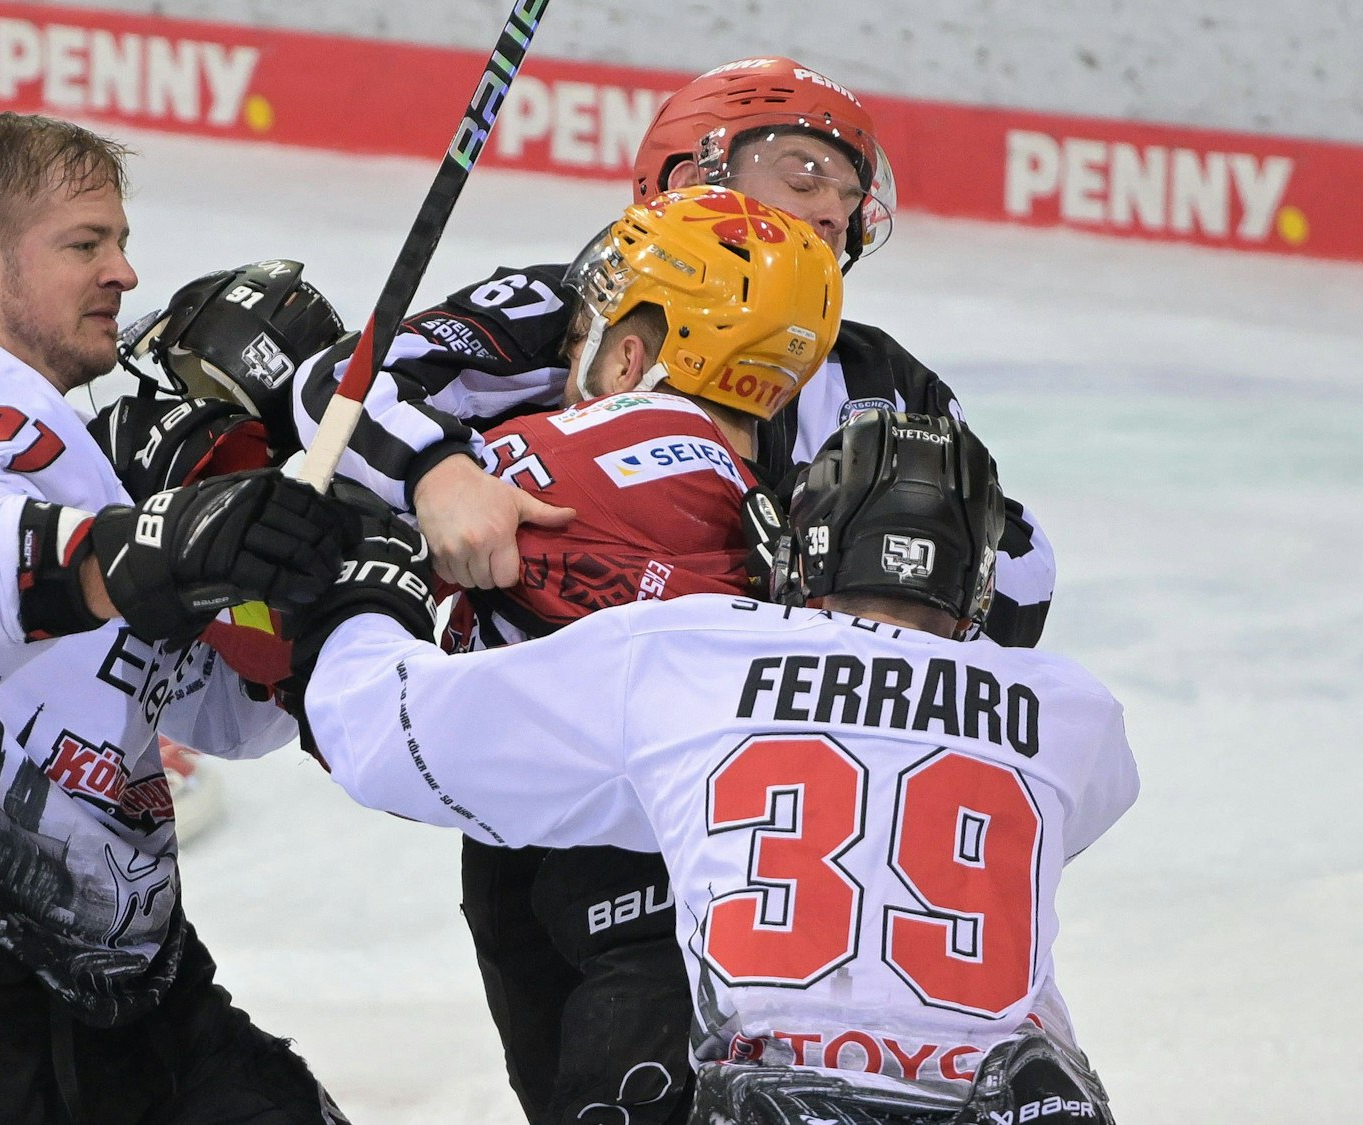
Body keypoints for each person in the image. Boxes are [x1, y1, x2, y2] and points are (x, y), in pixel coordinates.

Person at [278, 56, 1059, 1125]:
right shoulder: (580, 302)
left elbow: (1009, 575)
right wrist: (435, 474)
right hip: (540, 797)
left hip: (754, 820)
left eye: (847, 191)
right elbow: (338, 388)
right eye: (801, 172)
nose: (831, 207)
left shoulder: (879, 379)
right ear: (689, 169)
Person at [293, 409, 1136, 1125]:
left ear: (803, 548)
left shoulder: (685, 648)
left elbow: (379, 736)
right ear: (980, 581)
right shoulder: (1071, 709)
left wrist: (368, 585)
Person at [0, 112, 355, 1125]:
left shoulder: (58, 451)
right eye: (84, 245)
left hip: (125, 988)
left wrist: (278, 586)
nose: (124, 273)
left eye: (121, 242)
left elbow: (222, 718)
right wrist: (152, 547)